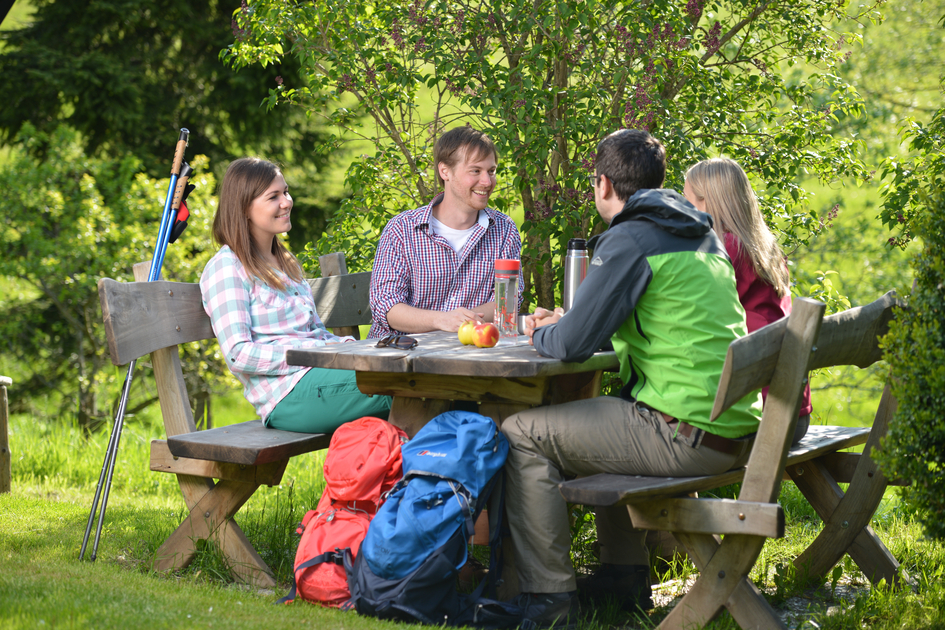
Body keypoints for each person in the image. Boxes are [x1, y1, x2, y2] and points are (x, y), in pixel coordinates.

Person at [503, 130, 763, 628]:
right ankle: (622, 579)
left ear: (602, 184)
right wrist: (572, 325)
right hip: (727, 425)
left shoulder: (631, 236)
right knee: (610, 414)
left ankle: (548, 599)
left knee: (522, 432)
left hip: (687, 434)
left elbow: (571, 345)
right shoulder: (697, 231)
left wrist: (542, 330)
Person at [200, 157, 391, 433]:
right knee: (407, 385)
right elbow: (238, 354)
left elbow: (315, 334)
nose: (287, 202)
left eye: (286, 192)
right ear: (244, 208)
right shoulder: (227, 267)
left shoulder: (285, 262)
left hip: (320, 377)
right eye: (273, 197)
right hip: (287, 394)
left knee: (419, 380)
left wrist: (347, 346)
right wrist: (312, 352)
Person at [684, 157, 812, 445]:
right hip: (794, 411)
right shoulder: (764, 248)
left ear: (708, 203)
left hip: (761, 416)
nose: (682, 206)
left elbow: (691, 313)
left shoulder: (724, 251)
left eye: (687, 198)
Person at [368, 125, 523, 339]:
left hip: (469, 354)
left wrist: (462, 322)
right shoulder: (402, 230)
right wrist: (442, 320)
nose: (487, 182)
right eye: (475, 171)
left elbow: (509, 301)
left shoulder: (504, 230)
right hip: (401, 357)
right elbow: (387, 307)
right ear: (445, 171)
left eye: (491, 171)